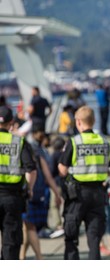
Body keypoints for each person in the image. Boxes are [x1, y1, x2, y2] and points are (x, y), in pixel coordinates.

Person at [58, 106, 110, 259]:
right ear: (94, 121)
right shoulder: (105, 142)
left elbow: (62, 169)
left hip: (77, 195)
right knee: (94, 238)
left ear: (78, 122)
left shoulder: (74, 142)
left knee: (71, 235)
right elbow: (107, 167)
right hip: (98, 194)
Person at [20, 122, 62, 260]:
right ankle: (30, 257)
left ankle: (32, 257)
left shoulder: (29, 148)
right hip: (37, 192)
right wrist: (56, 192)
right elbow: (47, 175)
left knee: (28, 226)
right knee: (28, 227)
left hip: (28, 191)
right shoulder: (37, 150)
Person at [0, 106, 37, 260]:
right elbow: (31, 170)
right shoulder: (19, 142)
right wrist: (29, 189)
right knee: (11, 241)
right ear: (12, 123)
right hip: (12, 197)